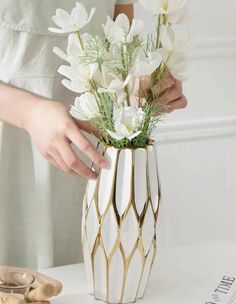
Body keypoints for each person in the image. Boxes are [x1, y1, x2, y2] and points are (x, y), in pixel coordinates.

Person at [0, 0, 187, 269]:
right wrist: (30, 113)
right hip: (10, 139)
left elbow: (121, 38)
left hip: (94, 149)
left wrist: (144, 79)